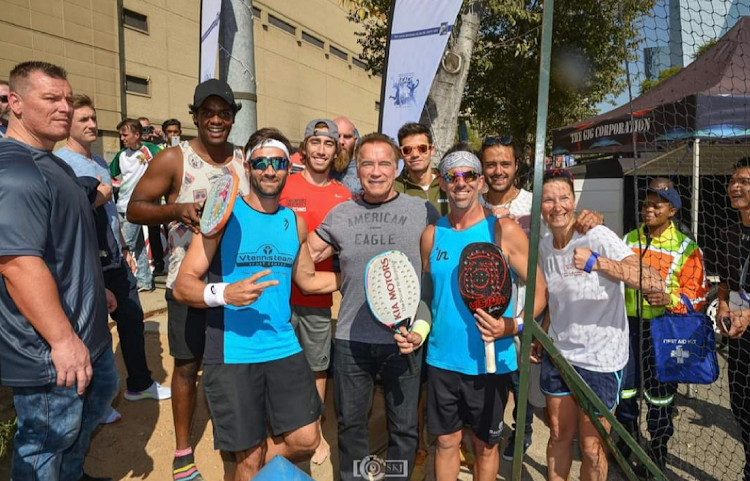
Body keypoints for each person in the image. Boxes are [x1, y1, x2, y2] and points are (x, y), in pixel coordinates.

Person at [173, 128, 339, 480]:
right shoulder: (222, 214)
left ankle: (254, 460)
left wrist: (354, 280)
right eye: (261, 162)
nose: (269, 170)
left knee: (307, 438)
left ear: (289, 167)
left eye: (277, 162)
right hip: (234, 351)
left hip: (282, 345)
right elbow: (183, 285)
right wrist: (223, 293)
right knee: (247, 460)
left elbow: (308, 280)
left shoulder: (294, 222)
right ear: (247, 167)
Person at [0, 60, 119, 481]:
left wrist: (95, 289)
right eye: (50, 98)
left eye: (67, 98)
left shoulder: (54, 163)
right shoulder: (16, 170)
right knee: (48, 438)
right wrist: (63, 339)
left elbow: (66, 243)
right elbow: (18, 264)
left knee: (96, 401)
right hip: (50, 349)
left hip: (88, 332)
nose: (64, 107)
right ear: (15, 102)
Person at [127, 78, 250, 481]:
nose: (216, 119)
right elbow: (134, 209)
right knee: (186, 365)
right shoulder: (173, 159)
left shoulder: (245, 159)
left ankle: (238, 435)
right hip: (187, 282)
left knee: (234, 362)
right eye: (208, 112)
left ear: (233, 117)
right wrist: (176, 210)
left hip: (234, 281)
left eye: (224, 113)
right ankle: (183, 450)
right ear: (195, 115)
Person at [307, 132, 440, 481]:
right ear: (357, 168)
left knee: (404, 429)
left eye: (384, 163)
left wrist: (422, 327)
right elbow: (304, 256)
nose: (376, 171)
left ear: (397, 167)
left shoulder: (422, 210)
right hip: (352, 340)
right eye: (367, 163)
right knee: (351, 426)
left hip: (404, 340)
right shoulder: (341, 213)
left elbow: (439, 269)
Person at [420, 149, 547, 481]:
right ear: (442, 183)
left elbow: (539, 290)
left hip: (491, 362)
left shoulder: (502, 230)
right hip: (441, 361)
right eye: (452, 177)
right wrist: (416, 330)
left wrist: (513, 325)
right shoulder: (432, 235)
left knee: (485, 447)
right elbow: (427, 298)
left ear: (480, 181)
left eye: (468, 176)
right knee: (446, 443)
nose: (460, 183)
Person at [537, 168, 663, 481]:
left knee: (593, 446)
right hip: (559, 355)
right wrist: (544, 334)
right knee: (557, 434)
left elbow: (652, 280)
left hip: (601, 359)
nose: (557, 206)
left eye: (564, 197)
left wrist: (597, 262)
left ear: (574, 200)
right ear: (540, 204)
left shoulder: (597, 236)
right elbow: (556, 297)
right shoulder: (542, 246)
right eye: (549, 199)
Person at [56, 94, 172, 422]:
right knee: (95, 334)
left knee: (132, 320)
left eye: (93, 118)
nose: (93, 124)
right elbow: (69, 218)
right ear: (67, 125)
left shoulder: (98, 163)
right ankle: (97, 399)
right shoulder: (62, 164)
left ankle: (139, 384)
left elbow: (109, 215)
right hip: (86, 263)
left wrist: (123, 248)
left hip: (115, 260)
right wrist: (95, 197)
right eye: (84, 120)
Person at [616, 184, 707, 471]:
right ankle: (624, 441)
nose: (649, 209)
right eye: (646, 203)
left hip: (664, 329)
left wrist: (669, 299)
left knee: (660, 393)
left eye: (658, 205)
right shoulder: (628, 239)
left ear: (673, 211)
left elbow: (698, 297)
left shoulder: (686, 247)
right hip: (628, 326)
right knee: (626, 389)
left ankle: (657, 449)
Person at [279, 119, 351, 465]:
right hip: (277, 296)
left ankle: (316, 430)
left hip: (317, 298)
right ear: (304, 148)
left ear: (337, 150)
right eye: (315, 142)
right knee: (279, 363)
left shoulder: (343, 195)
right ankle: (281, 427)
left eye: (328, 143)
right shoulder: (282, 184)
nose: (321, 150)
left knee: (317, 366)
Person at [717, 157, 750, 481]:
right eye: (732, 180)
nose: (734, 187)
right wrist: (724, 306)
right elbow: (726, 281)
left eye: (743, 181)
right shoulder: (728, 233)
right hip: (738, 338)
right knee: (740, 406)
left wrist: (747, 314)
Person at [110, 118, 161, 292]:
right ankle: (145, 281)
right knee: (137, 245)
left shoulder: (151, 150)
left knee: (126, 245)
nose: (122, 138)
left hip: (137, 207)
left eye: (125, 135)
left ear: (137, 134)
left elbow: (166, 168)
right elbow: (111, 173)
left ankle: (119, 283)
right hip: (121, 205)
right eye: (121, 135)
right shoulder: (121, 155)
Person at [394, 122, 449, 215]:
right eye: (407, 150)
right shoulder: (392, 190)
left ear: (432, 150)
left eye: (422, 148)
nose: (415, 155)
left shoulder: (450, 183)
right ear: (400, 153)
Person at [331, 116, 361, 195]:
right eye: (337, 136)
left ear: (356, 140)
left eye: (347, 137)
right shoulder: (320, 169)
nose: (341, 141)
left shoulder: (364, 174)